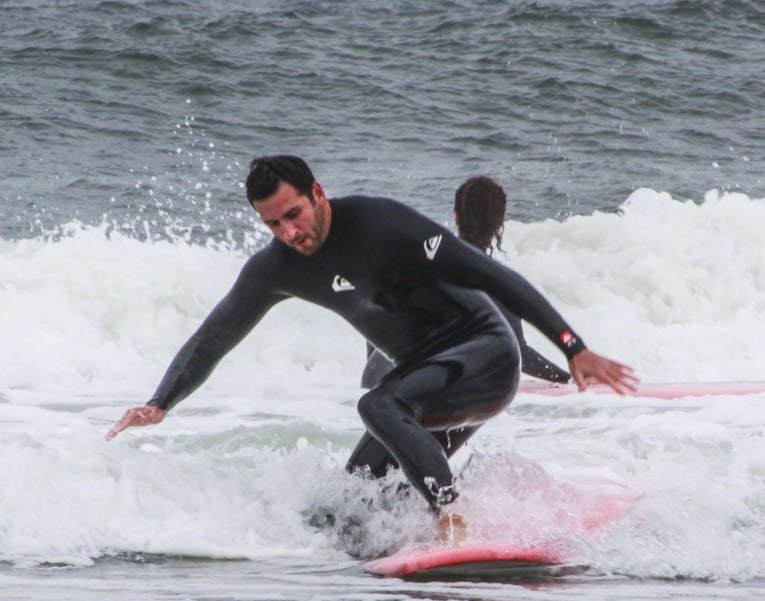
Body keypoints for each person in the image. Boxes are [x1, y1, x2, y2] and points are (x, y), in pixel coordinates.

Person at [107, 155, 637, 537]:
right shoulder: (275, 269)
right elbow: (214, 336)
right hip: (424, 383)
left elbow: (493, 278)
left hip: (486, 355)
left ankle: (454, 516)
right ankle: (478, 521)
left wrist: (573, 347)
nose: (288, 232)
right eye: (273, 224)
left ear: (317, 193)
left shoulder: (383, 224)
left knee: (378, 404)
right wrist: (161, 402)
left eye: (293, 214)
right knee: (356, 497)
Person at [361, 175, 571, 388]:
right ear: (499, 223)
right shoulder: (495, 281)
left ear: (456, 217)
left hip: (372, 386)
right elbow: (520, 354)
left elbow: (376, 321)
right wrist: (568, 380)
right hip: (421, 395)